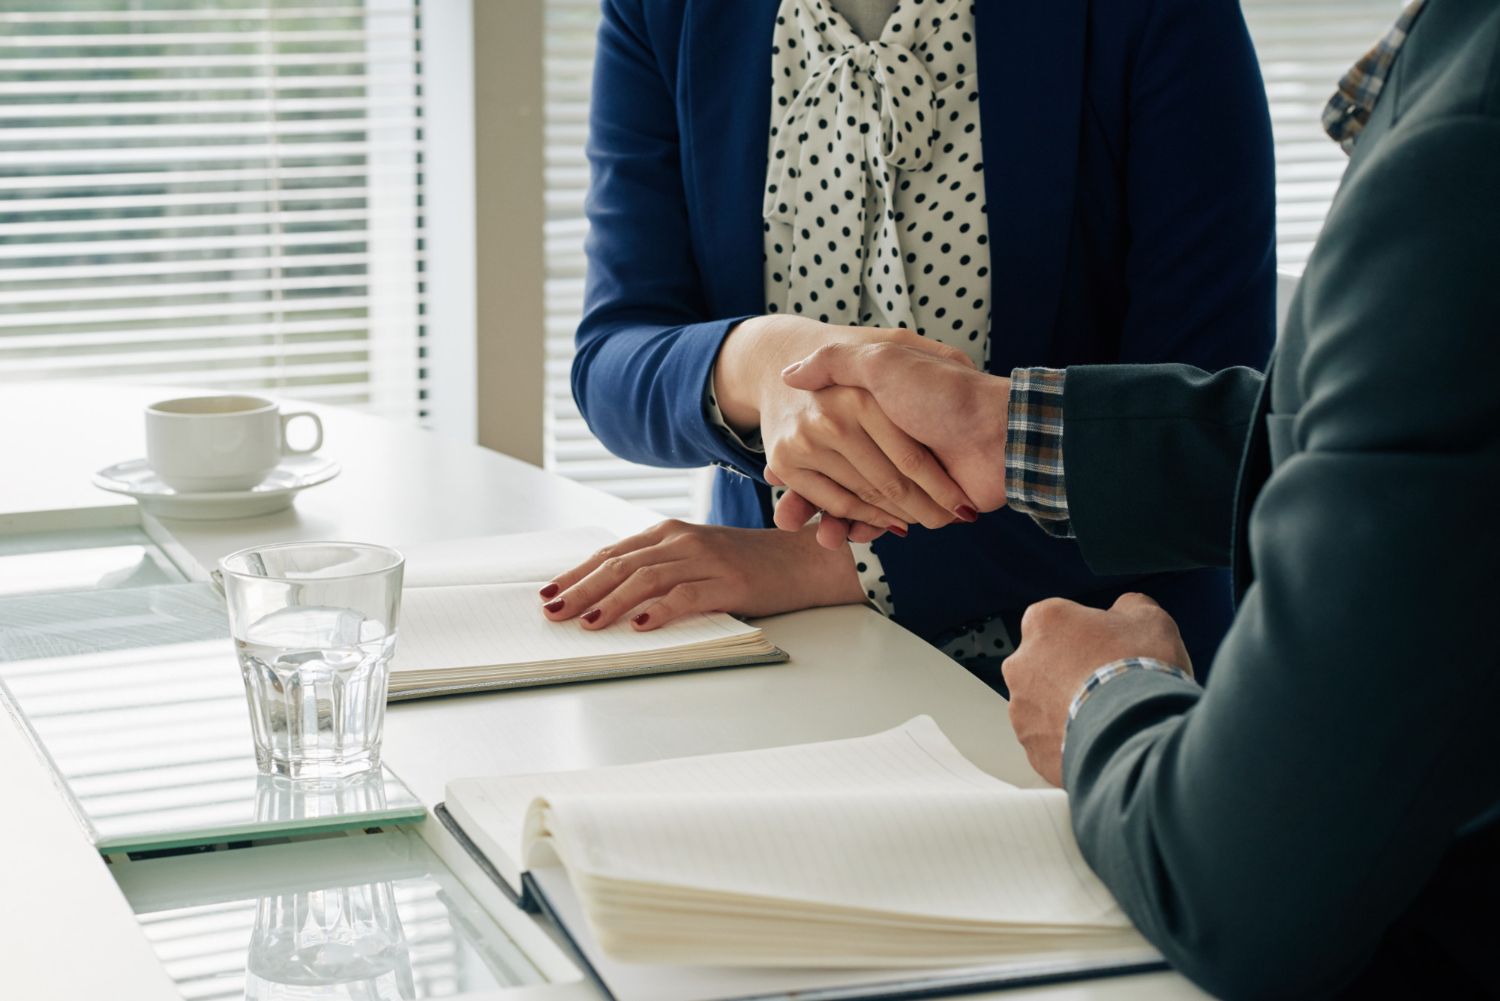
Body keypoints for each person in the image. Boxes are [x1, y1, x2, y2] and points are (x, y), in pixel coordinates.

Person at [764, 0, 1500, 993]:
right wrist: (1005, 429)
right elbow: (1414, 439)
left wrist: (1098, 699)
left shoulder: (1466, 145)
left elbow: (1244, 881)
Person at [548, 0, 1276, 682]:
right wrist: (761, 363)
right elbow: (613, 355)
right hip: (789, 658)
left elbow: (1219, 442)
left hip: (1100, 670)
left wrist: (821, 567)